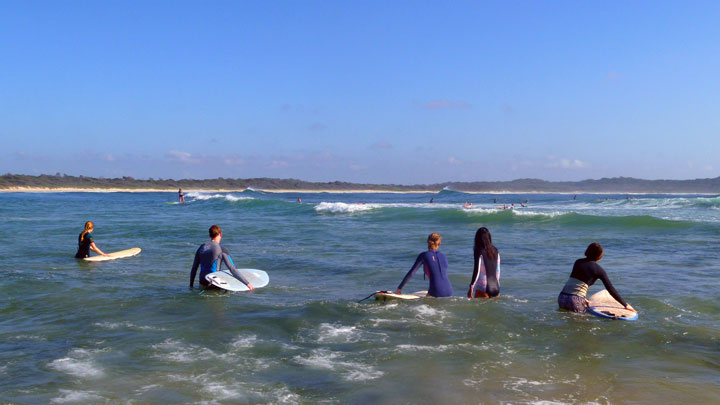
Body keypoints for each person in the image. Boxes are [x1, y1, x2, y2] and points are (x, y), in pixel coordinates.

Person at [558, 242, 635, 313]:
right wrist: (625, 305)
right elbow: (611, 290)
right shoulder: (599, 270)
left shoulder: (578, 262)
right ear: (599, 255)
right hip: (575, 301)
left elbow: (575, 283)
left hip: (562, 297)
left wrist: (583, 299)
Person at [189, 225, 254, 291]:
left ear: (209, 235)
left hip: (202, 281)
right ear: (220, 234)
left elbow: (194, 269)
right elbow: (232, 269)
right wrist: (247, 283)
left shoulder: (201, 247)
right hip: (214, 283)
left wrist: (191, 286)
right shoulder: (222, 249)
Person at [395, 233, 453, 298]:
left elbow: (411, 273)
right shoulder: (444, 256)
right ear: (439, 244)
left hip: (435, 291)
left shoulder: (424, 255)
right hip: (449, 291)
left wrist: (399, 288)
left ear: (428, 242)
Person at [467, 227, 500, 298]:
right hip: (495, 287)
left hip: (482, 287)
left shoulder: (479, 251)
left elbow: (477, 270)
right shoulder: (496, 250)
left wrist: (471, 286)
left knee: (478, 309)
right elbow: (498, 271)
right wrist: (497, 284)